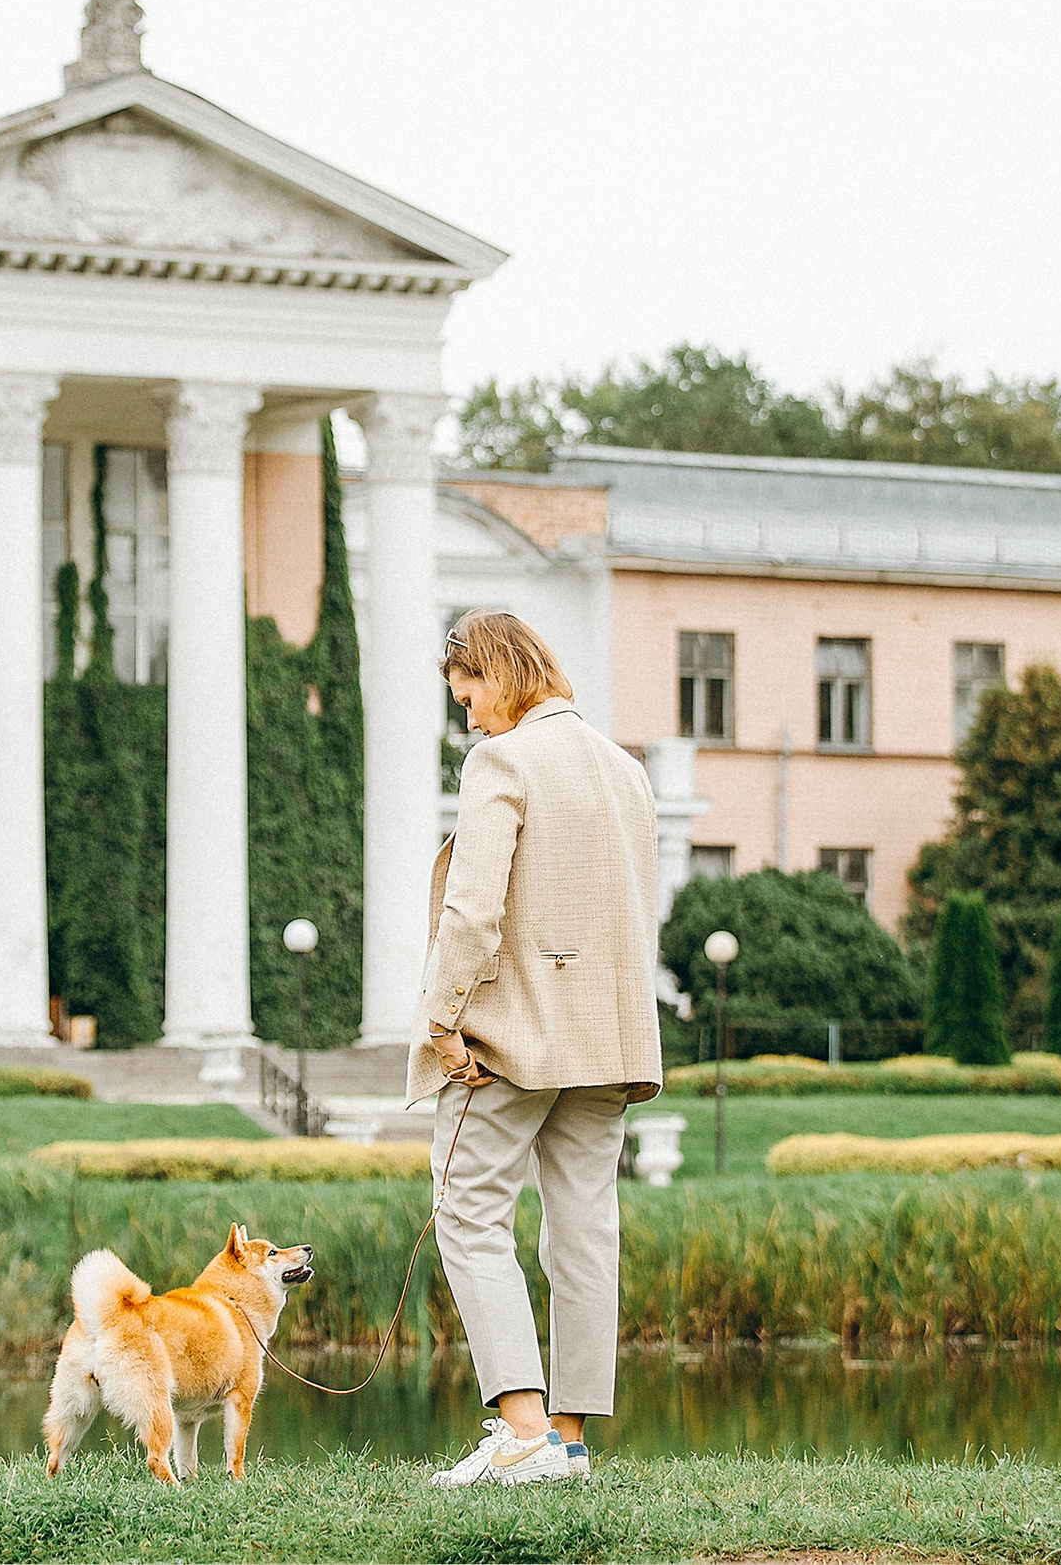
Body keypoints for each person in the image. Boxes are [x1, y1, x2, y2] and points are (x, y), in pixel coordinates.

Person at [413, 609, 662, 1489]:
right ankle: (567, 1439)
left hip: (514, 1038)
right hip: (612, 1037)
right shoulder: (625, 768)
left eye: (470, 691)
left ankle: (519, 1431)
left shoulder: (505, 759)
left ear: (503, 671)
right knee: (586, 1228)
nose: (469, 716)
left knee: (470, 1213)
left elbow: (474, 908)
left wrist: (442, 1021)